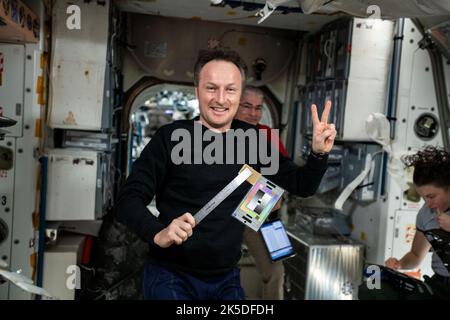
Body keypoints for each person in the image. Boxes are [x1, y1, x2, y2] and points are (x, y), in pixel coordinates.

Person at [114, 48, 337, 300]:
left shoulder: (254, 141)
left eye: (230, 89)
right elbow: (127, 200)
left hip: (226, 278)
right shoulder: (170, 138)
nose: (221, 99)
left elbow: (302, 185)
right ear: (197, 90)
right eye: (211, 88)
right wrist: (157, 231)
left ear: (239, 93)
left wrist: (318, 154)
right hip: (171, 275)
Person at [359, 146, 450, 300]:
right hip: (439, 285)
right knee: (370, 287)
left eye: (431, 196)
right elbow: (415, 255)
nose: (427, 203)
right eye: (423, 197)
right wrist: (399, 265)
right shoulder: (426, 214)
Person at [234, 85, 287, 300]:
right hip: (229, 211)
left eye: (258, 108)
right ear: (235, 106)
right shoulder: (221, 132)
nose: (253, 113)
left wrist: (271, 194)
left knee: (277, 272)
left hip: (265, 212)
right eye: (247, 106)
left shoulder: (267, 135)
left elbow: (281, 177)